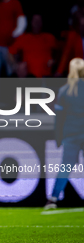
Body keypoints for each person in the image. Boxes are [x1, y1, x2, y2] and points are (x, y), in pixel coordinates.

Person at [44, 58, 84, 209]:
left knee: (65, 167)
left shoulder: (64, 90)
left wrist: (58, 138)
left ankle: (53, 199)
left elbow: (59, 119)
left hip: (70, 134)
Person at [0, 0, 27, 77]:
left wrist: (14, 35)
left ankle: (11, 88)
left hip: (9, 45)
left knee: (10, 70)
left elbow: (22, 21)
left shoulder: (15, 3)